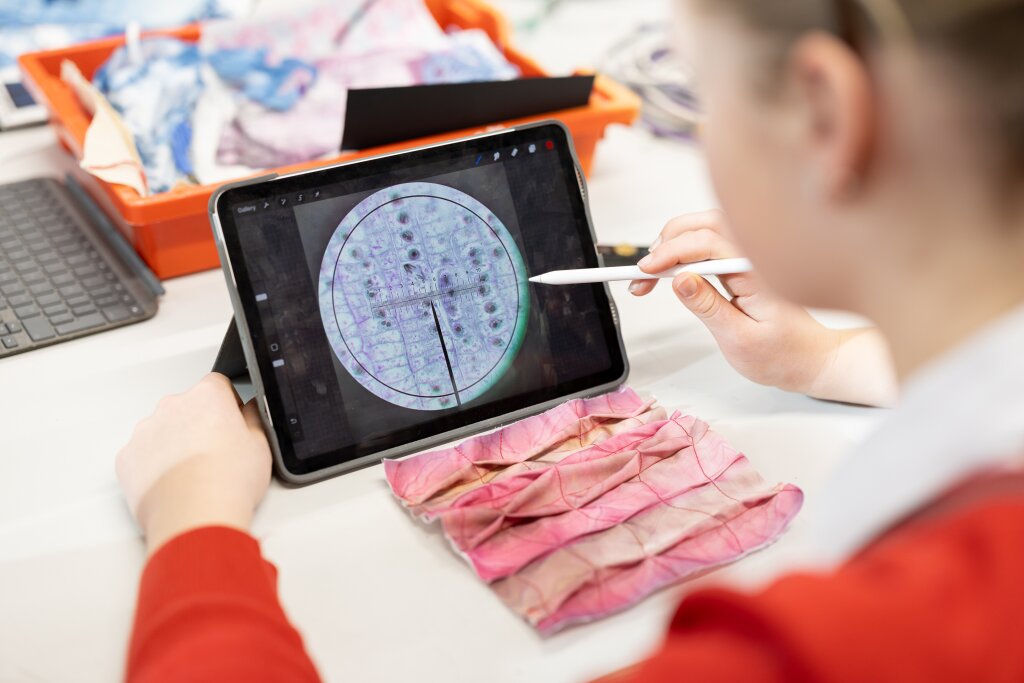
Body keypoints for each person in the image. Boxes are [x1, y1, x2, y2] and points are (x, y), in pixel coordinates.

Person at [116, 0, 1024, 680]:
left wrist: (192, 513)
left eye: (703, 93)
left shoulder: (874, 640)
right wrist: (829, 360)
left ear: (826, 114)